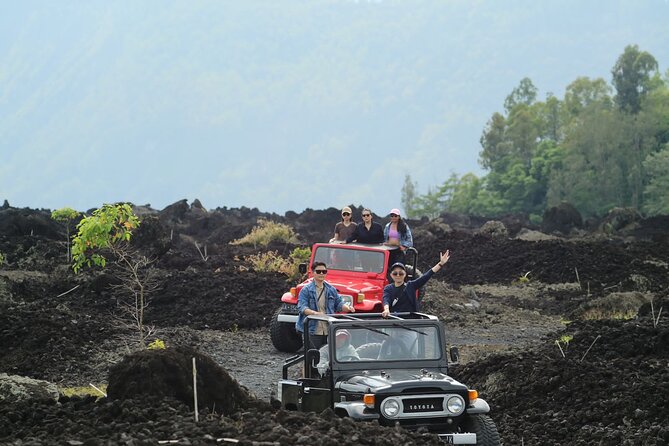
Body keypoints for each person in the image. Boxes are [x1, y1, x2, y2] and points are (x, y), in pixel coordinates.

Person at [296, 261, 355, 350]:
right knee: (312, 356)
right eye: (318, 271)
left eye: (324, 271)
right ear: (313, 272)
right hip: (312, 330)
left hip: (328, 329)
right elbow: (301, 307)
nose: (321, 274)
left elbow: (339, 304)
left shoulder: (331, 289)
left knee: (330, 356)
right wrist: (315, 314)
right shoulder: (306, 290)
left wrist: (348, 308)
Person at [381, 250, 450, 317]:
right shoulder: (388, 288)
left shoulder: (411, 286)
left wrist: (440, 264)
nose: (398, 275)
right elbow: (386, 299)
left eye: (401, 273)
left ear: (405, 274)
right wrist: (386, 310)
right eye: (395, 273)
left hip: (412, 321)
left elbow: (426, 276)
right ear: (391, 275)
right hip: (395, 320)